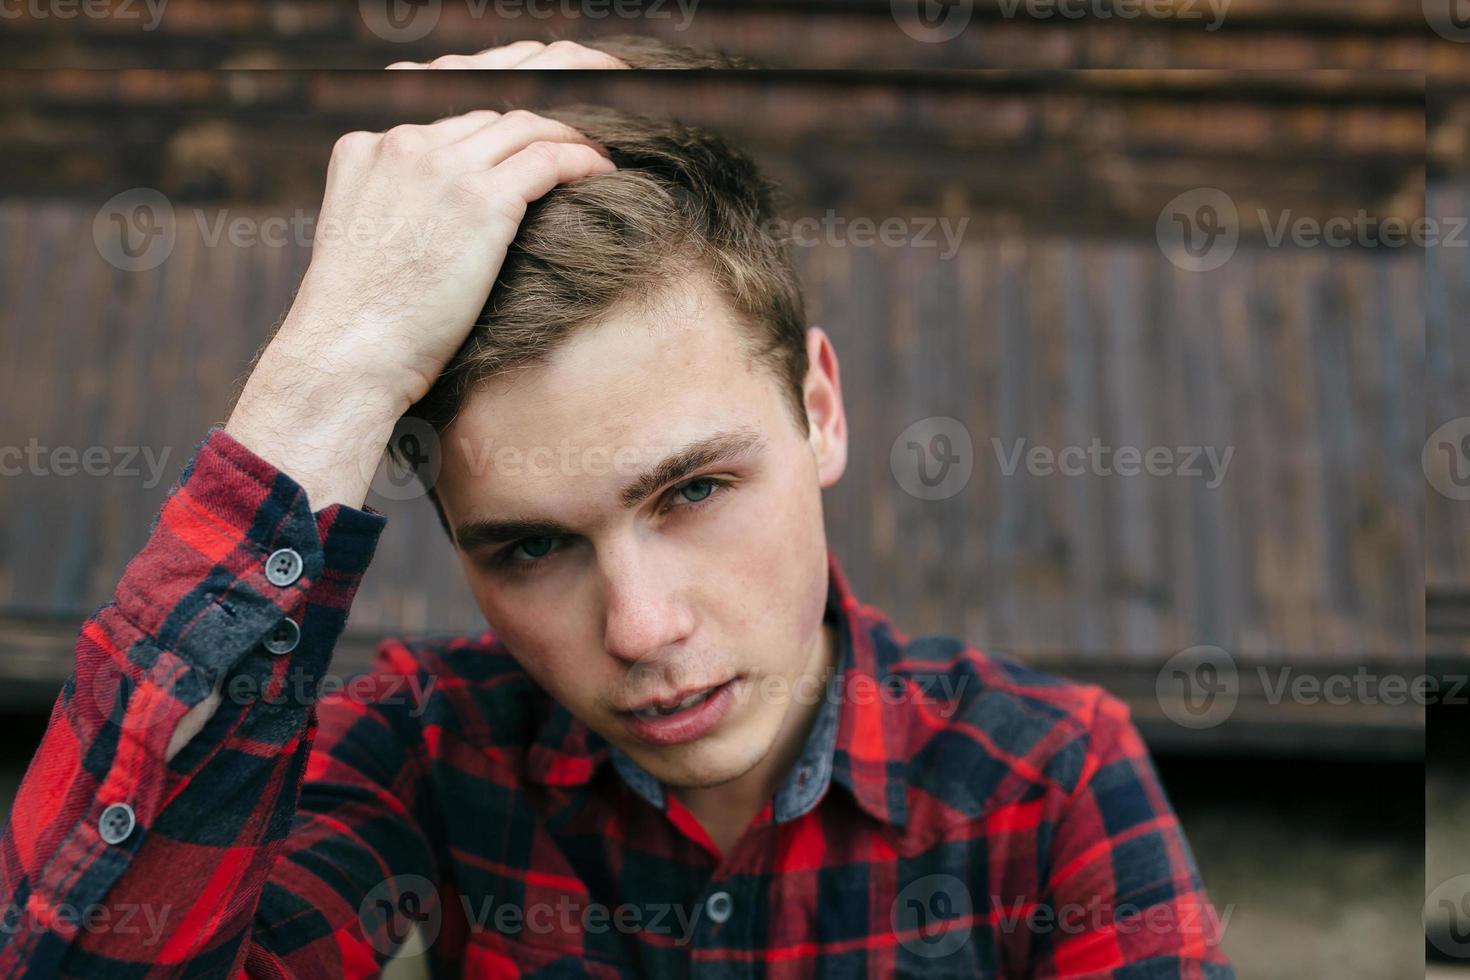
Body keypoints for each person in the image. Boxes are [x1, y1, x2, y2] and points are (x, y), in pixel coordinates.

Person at [0, 68, 1234, 978]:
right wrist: (331, 368)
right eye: (532, 545)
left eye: (693, 490)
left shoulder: (1047, 777)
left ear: (820, 408)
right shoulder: (426, 749)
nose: (641, 628)